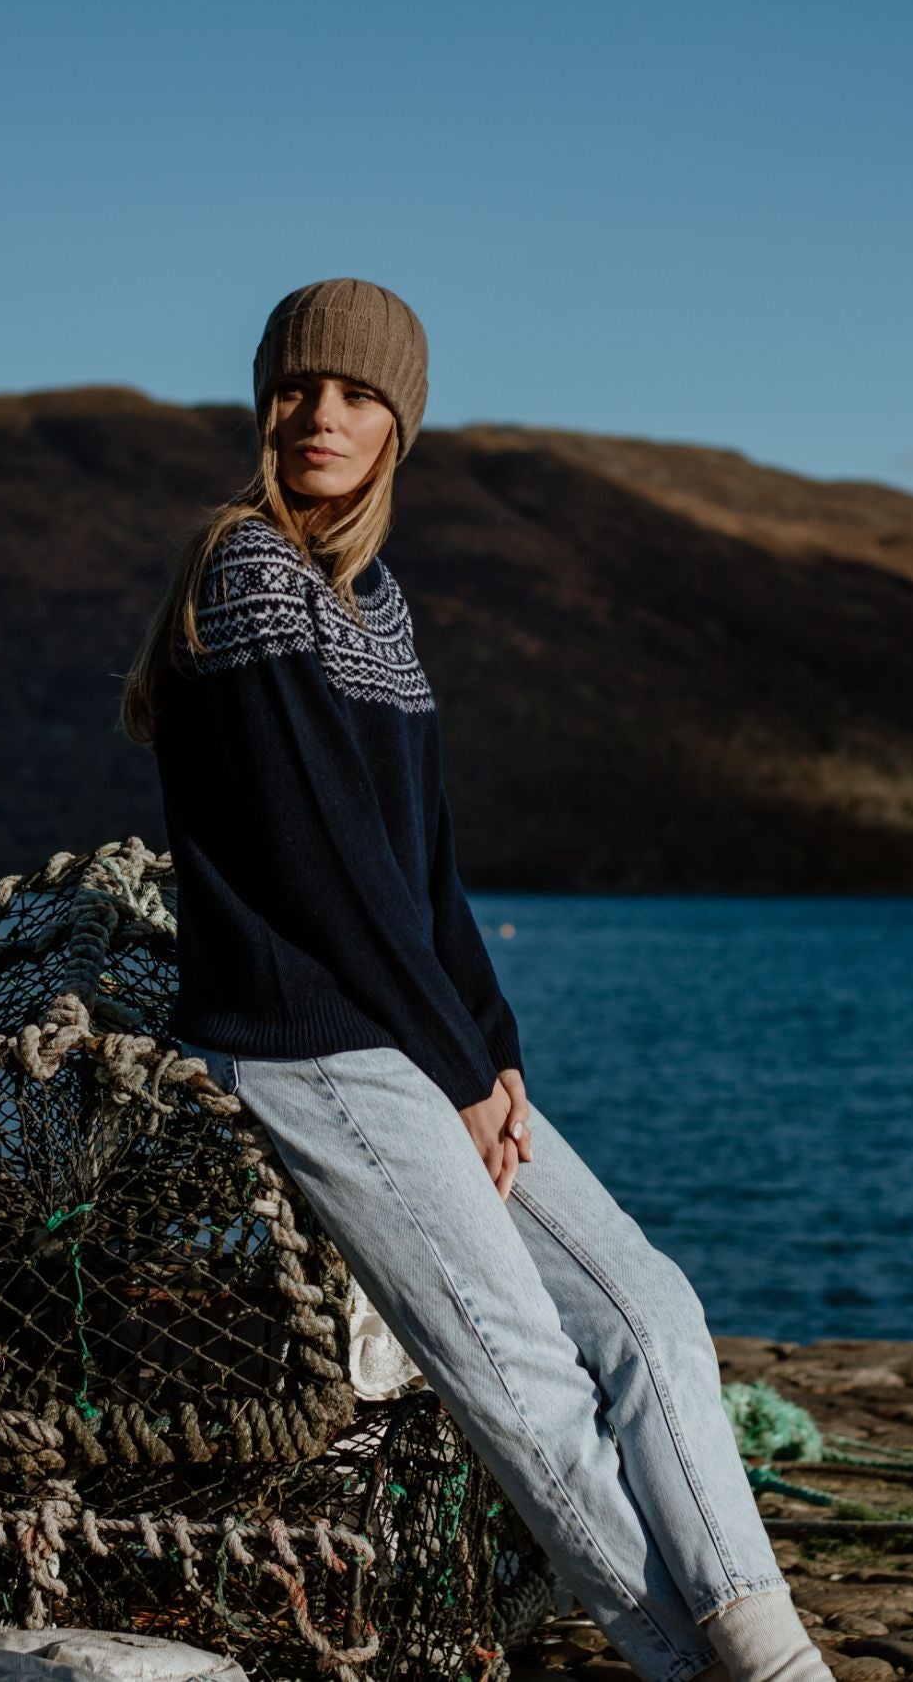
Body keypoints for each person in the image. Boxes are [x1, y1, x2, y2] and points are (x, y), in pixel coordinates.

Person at [122, 278, 829, 1682]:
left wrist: (497, 1064)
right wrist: (454, 1073)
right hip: (305, 1040)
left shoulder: (372, 602)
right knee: (522, 1377)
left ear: (402, 426)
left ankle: (773, 1653)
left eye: (359, 394)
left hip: (414, 1033)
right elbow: (328, 874)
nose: (323, 415)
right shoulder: (249, 573)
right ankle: (680, 1662)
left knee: (649, 1307)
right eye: (299, 387)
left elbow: (424, 872)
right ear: (264, 402)